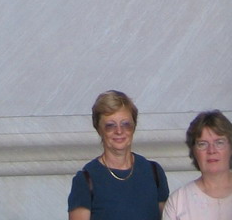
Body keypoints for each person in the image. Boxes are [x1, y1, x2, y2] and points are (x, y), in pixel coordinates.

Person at [68, 89, 169, 220]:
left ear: (134, 127)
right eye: (110, 125)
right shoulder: (85, 180)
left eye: (126, 124)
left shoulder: (154, 173)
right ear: (99, 129)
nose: (119, 131)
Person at [162, 111, 232, 220]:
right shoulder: (178, 202)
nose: (211, 150)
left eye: (219, 142)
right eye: (202, 144)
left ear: (231, 147)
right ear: (193, 151)